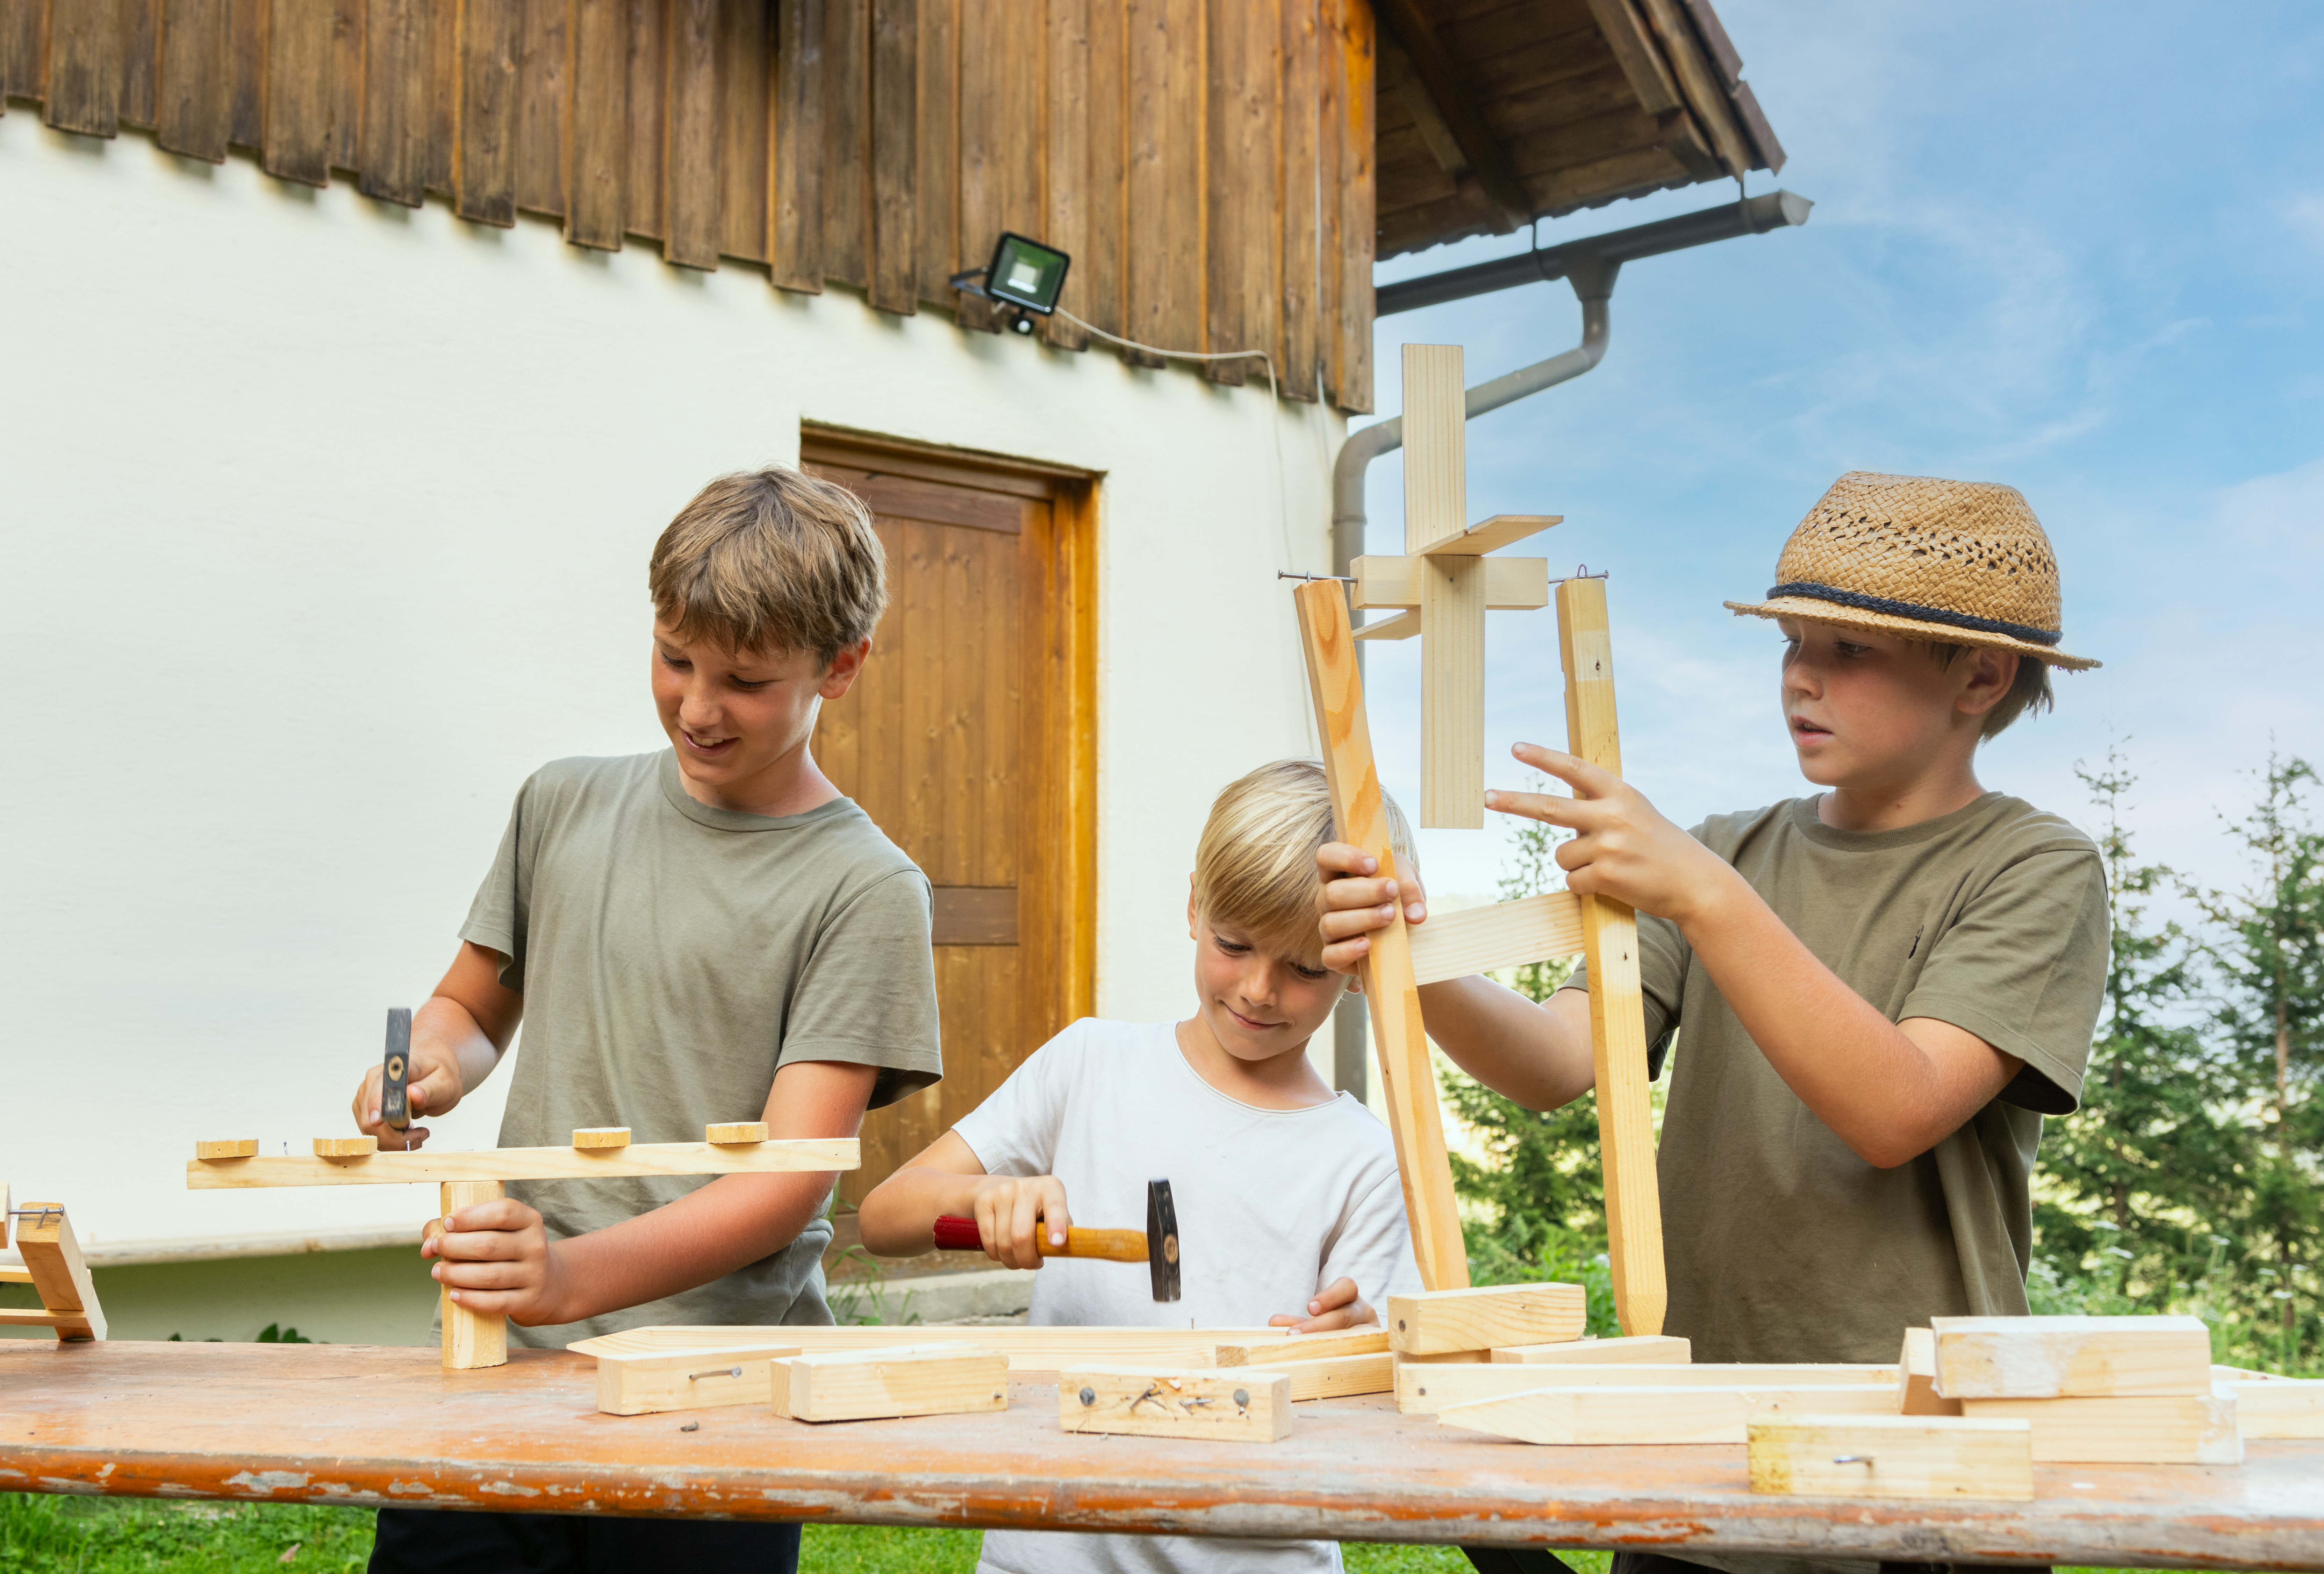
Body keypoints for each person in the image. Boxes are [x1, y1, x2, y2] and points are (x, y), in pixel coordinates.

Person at [1320, 473, 2109, 1574]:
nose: (1800, 676)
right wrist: (1404, 954)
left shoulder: (2033, 867)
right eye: (1792, 642)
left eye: (1849, 649)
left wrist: (1704, 894)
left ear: (1980, 675)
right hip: (1699, 1435)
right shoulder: (1726, 854)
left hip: (1929, 1455)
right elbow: (1556, 1060)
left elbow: (1898, 1106)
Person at [349, 465, 942, 1574]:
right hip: (502, 1361)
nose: (699, 706)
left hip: (713, 1396)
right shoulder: (561, 802)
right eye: (676, 658)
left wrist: (570, 1276)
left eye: (746, 679)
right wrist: (431, 1065)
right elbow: (471, 1006)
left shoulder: (865, 888)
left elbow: (786, 1180)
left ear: (842, 666)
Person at [859, 759, 1423, 1574]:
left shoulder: (1363, 1158)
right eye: (1233, 944)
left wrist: (1363, 1351)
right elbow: (884, 1217)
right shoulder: (1091, 1064)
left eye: (1306, 968)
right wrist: (984, 1197)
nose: (1258, 989)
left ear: (1361, 962)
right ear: (1194, 905)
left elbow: (1393, 1399)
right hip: (1050, 1548)